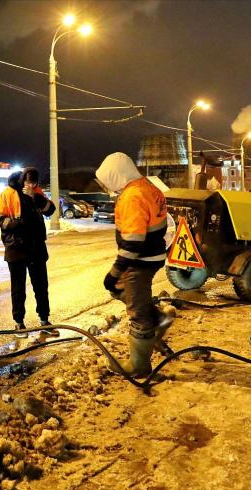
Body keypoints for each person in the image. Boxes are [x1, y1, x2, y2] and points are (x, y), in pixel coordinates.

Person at [96, 153, 171, 377]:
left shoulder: (132, 196)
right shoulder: (148, 186)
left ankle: (139, 366)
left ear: (115, 175)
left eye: (107, 178)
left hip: (140, 261)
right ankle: (158, 317)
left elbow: (133, 241)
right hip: (152, 255)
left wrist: (115, 270)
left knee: (137, 312)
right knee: (121, 290)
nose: (106, 184)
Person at [0, 167, 58, 337]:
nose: (31, 185)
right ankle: (19, 323)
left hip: (36, 247)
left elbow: (51, 210)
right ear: (22, 180)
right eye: (28, 182)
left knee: (41, 286)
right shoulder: (7, 193)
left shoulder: (36, 193)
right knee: (18, 288)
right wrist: (15, 224)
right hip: (16, 247)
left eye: (34, 182)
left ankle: (44, 320)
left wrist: (35, 197)